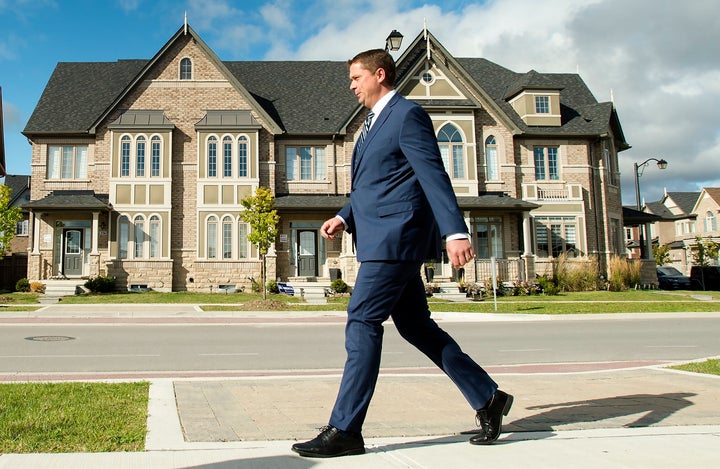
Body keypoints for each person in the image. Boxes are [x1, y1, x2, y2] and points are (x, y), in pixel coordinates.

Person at [291, 49, 513, 458]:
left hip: (397, 238)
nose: (352, 86)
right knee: (415, 326)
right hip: (380, 236)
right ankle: (488, 397)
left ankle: (345, 428)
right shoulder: (370, 125)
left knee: (361, 319)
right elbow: (376, 184)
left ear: (380, 74)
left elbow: (432, 174)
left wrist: (455, 231)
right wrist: (344, 215)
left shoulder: (407, 115)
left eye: (356, 78)